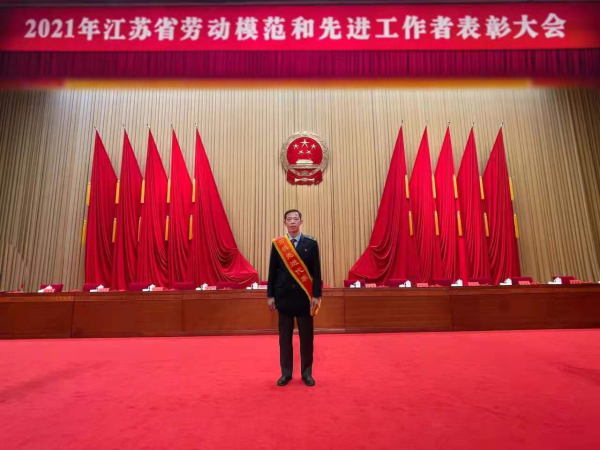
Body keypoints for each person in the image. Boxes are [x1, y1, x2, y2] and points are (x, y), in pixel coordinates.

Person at [267, 209, 322, 387]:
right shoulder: (278, 244)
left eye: (295, 219)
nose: (292, 222)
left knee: (307, 338)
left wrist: (317, 295)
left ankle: (307, 373)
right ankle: (286, 373)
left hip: (304, 298)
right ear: (285, 223)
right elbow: (272, 271)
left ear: (301, 222)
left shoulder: (311, 243)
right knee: (284, 338)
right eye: (289, 219)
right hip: (283, 298)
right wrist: (270, 295)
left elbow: (316, 271)